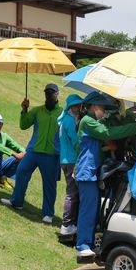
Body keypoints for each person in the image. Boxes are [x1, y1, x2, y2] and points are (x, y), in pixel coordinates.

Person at [75, 93, 136, 261]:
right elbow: (107, 132)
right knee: (87, 210)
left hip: (91, 172)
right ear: (95, 107)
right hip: (86, 172)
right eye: (103, 108)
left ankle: (88, 244)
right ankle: (82, 245)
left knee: (93, 209)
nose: (104, 112)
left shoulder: (90, 122)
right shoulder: (88, 121)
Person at [1, 83, 62, 224]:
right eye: (47, 92)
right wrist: (24, 110)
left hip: (52, 154)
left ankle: (48, 213)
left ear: (57, 94)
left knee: (49, 184)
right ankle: (17, 201)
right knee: (21, 171)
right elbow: (23, 125)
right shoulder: (37, 111)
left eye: (52, 92)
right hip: (34, 150)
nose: (49, 94)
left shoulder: (62, 113)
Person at [58, 94, 84, 236]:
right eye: (76, 105)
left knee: (72, 192)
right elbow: (76, 142)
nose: (79, 107)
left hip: (66, 159)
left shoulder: (65, 119)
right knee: (72, 193)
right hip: (71, 160)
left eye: (79, 104)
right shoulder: (69, 121)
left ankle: (70, 223)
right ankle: (67, 224)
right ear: (70, 106)